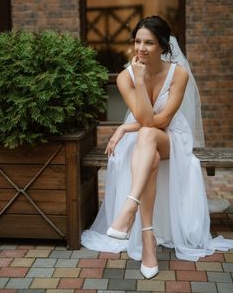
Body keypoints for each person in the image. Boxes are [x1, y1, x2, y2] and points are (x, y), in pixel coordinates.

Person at [81, 15, 233, 279]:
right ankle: (147, 238)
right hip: (143, 140)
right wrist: (137, 83)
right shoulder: (125, 78)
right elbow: (144, 121)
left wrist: (123, 127)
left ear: (163, 46)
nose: (141, 48)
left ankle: (129, 209)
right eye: (137, 41)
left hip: (171, 137)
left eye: (149, 43)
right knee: (147, 149)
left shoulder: (179, 74)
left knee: (149, 135)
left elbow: (159, 121)